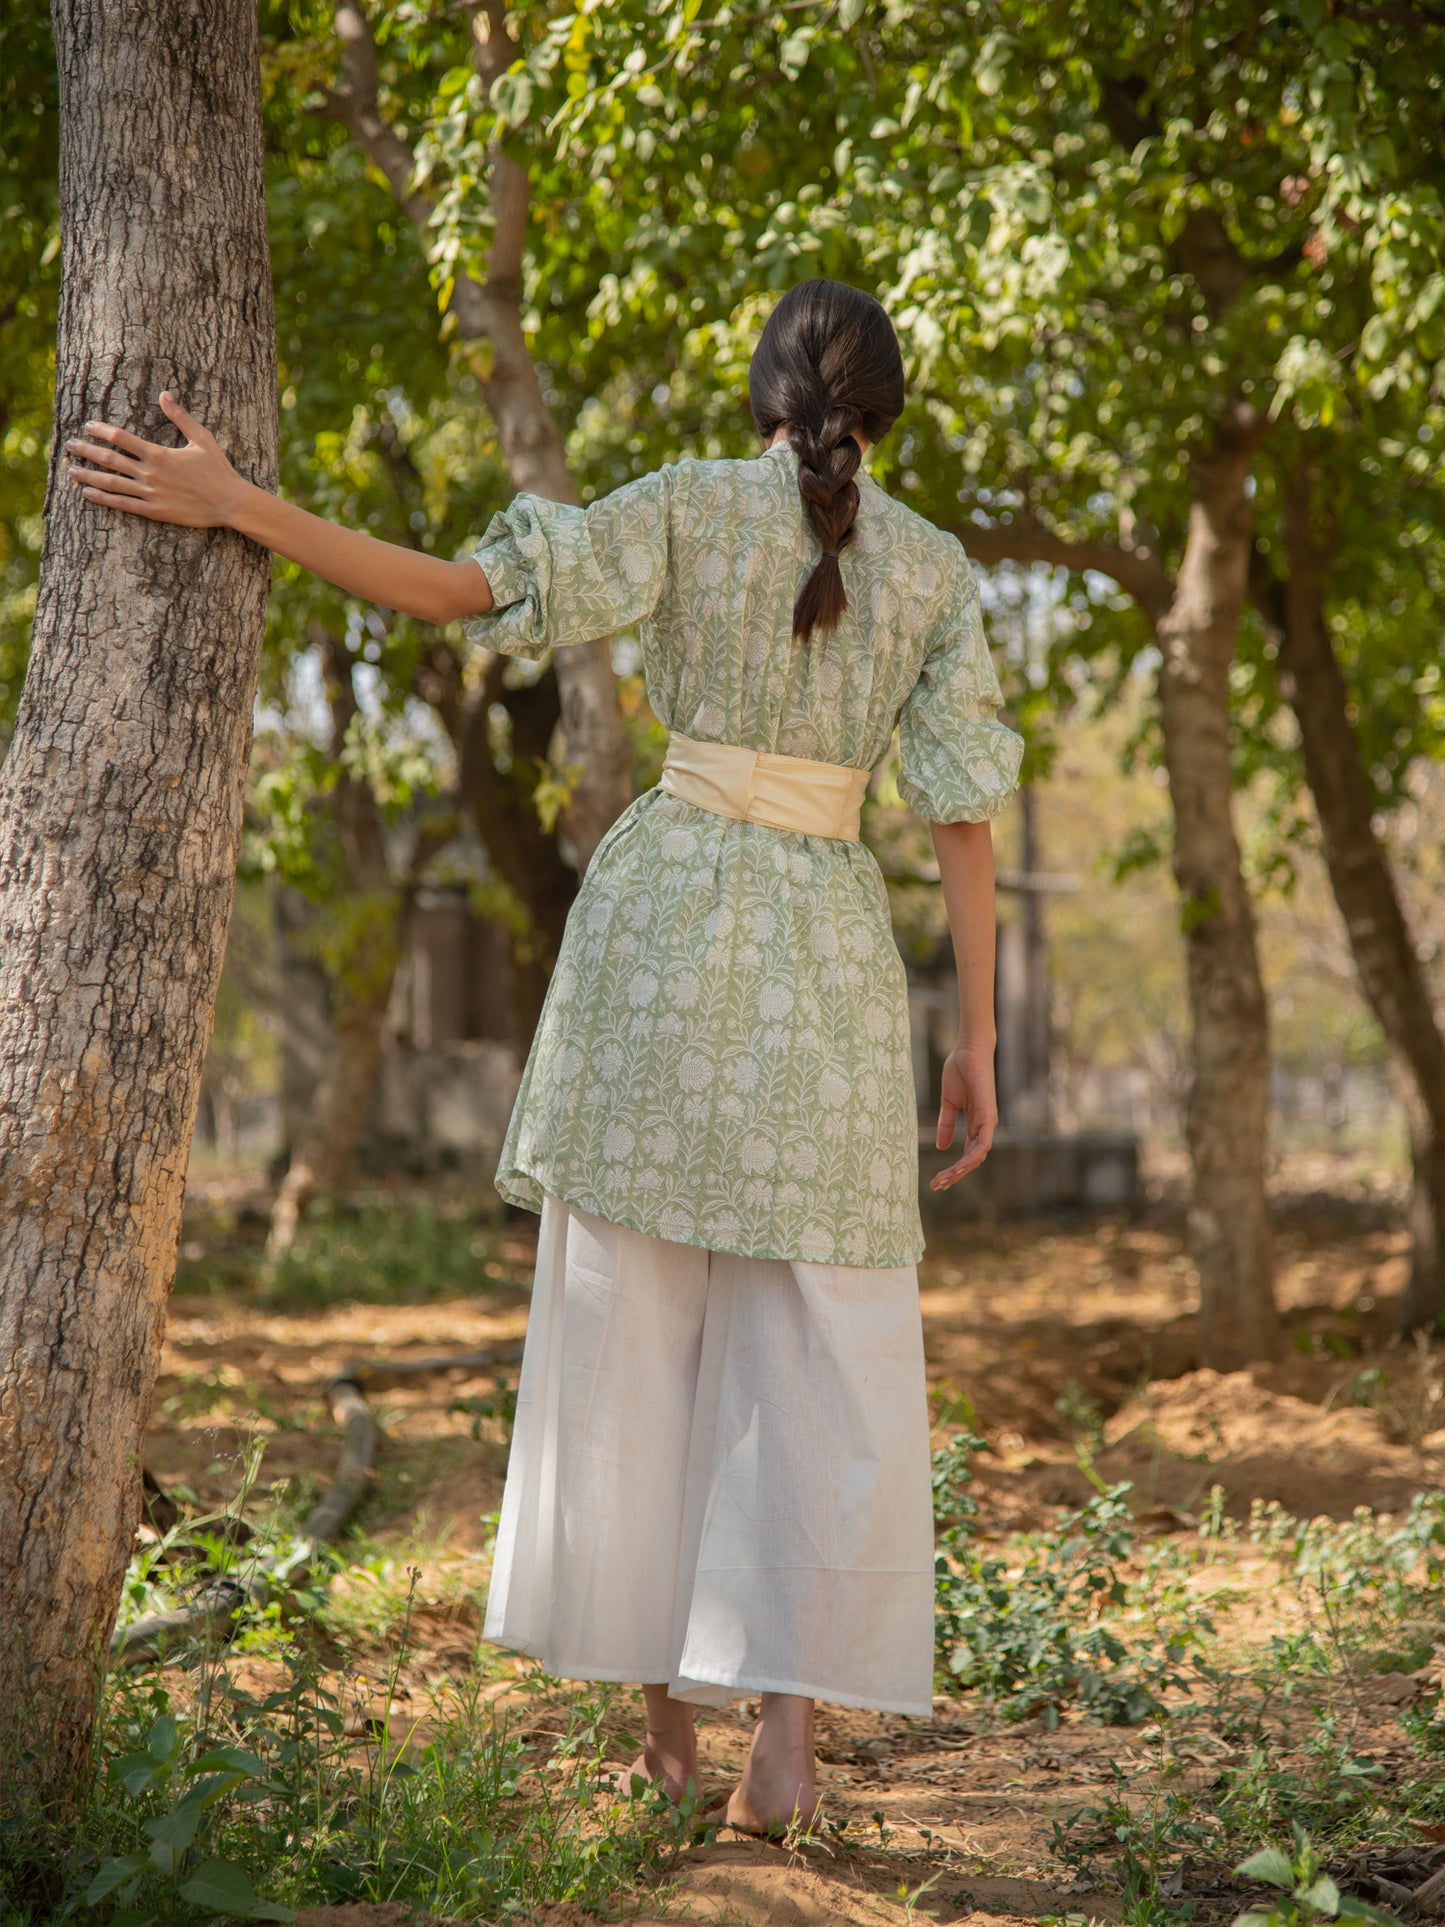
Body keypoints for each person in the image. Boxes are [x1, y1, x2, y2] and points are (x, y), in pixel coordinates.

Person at [66, 278, 1023, 1834]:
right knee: (817, 1348)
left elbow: (458, 593)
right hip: (831, 968)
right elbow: (965, 816)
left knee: (629, 1327)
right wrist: (975, 1039)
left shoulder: (686, 509)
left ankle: (663, 1730)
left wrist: (240, 502)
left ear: (759, 395)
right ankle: (786, 1742)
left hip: (659, 944)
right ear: (885, 410)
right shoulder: (933, 567)